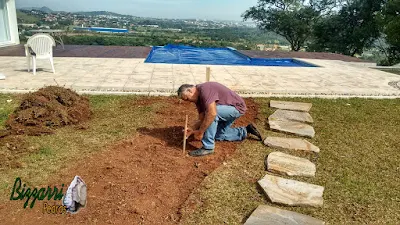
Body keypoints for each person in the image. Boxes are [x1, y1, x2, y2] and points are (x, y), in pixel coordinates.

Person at [177, 82, 262, 157]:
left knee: (211, 114)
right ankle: (246, 130)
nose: (188, 101)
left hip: (236, 107)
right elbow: (202, 118)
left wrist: (200, 132)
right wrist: (192, 128)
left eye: (187, 99)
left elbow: (212, 113)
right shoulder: (198, 100)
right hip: (225, 110)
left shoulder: (205, 89)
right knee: (217, 134)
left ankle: (208, 147)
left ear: (190, 91)